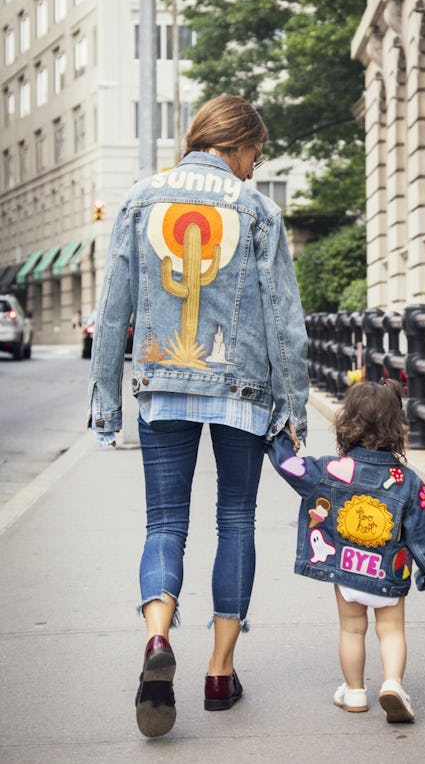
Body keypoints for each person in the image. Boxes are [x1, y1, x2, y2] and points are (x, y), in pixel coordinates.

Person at [88, 94, 309, 737]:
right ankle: (218, 672)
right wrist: (292, 410)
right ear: (237, 144)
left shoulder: (139, 199)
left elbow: (113, 311)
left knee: (164, 523)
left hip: (162, 383)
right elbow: (283, 322)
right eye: (254, 157)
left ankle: (158, 638)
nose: (253, 170)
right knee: (236, 520)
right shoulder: (259, 211)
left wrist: (107, 404)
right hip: (241, 390)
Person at [267, 379, 425, 723]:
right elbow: (421, 533)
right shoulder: (409, 481)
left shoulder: (330, 470)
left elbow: (289, 466)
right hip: (389, 573)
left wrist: (279, 436)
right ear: (397, 428)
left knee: (352, 629)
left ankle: (354, 692)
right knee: (391, 631)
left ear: (347, 423)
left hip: (347, 570)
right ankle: (392, 683)